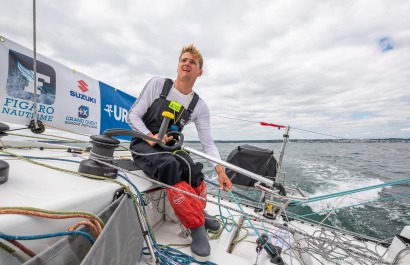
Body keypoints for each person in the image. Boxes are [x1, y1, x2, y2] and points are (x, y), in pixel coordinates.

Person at [126, 44, 233, 262]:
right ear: (178, 66)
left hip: (170, 147)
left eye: (192, 62)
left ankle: (198, 212)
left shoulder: (198, 106)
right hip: (143, 145)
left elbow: (208, 144)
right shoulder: (158, 85)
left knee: (193, 169)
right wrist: (149, 136)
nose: (187, 64)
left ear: (199, 72)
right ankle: (197, 227)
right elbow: (133, 116)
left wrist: (221, 172)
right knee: (171, 166)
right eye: (184, 60)